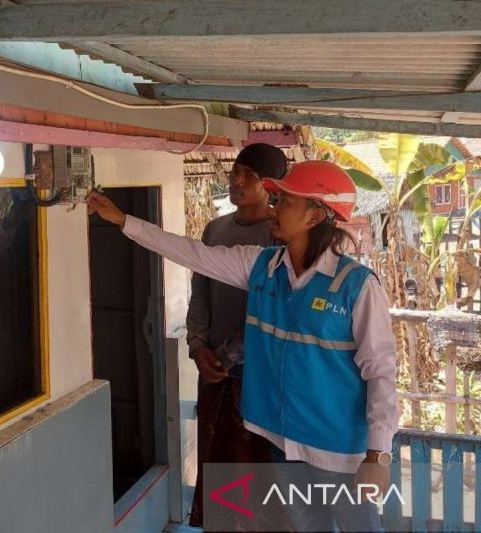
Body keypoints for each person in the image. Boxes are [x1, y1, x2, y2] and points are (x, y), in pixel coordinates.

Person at [87, 160, 398, 532]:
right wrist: (123, 221)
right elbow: (191, 253)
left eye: (285, 201)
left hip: (339, 451)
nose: (274, 207)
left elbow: (381, 372)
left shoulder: (357, 285)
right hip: (283, 442)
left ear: (315, 216)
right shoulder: (261, 266)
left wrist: (378, 454)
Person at [185, 143, 288, 529]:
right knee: (219, 467)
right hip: (212, 370)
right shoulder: (215, 229)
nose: (237, 180)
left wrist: (230, 354)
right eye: (236, 171)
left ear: (270, 185)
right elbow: (200, 291)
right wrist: (197, 345)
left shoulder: (280, 235)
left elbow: (275, 310)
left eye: (250, 175)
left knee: (259, 474)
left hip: (258, 375)